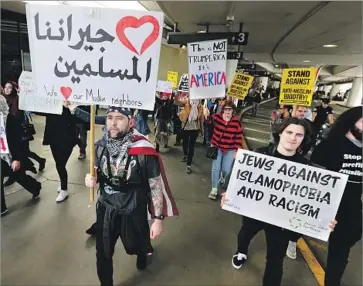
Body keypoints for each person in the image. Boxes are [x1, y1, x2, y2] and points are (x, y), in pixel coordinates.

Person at [220, 118, 337, 286]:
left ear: (304, 139)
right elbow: (238, 179)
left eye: (299, 135)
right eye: (289, 132)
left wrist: (324, 219)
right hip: (255, 212)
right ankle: (241, 252)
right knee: (245, 234)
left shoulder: (306, 168)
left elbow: (312, 201)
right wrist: (228, 193)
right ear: (280, 133)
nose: (293, 137)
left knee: (275, 261)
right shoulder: (259, 154)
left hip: (281, 221)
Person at [84, 106, 178, 286]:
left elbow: (155, 186)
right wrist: (91, 179)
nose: (112, 122)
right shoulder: (100, 146)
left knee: (137, 244)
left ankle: (142, 253)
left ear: (131, 121)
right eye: (110, 117)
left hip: (134, 207)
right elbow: (97, 173)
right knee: (102, 252)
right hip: (106, 207)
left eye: (119, 118)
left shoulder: (144, 151)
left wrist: (158, 219)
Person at [310, 106, 362, 286]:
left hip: (351, 211)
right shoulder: (328, 146)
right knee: (296, 233)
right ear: (351, 122)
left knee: (340, 253)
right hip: (325, 208)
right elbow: (313, 183)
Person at [1, 90, 42, 216]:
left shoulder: (10, 121)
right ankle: (2, 208)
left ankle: (35, 187)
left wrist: (17, 158)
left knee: (18, 175)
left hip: (10, 155)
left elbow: (17, 141)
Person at [39, 104, 78, 202]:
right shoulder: (51, 103)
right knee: (59, 164)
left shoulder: (71, 103)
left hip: (68, 137)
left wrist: (73, 109)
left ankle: (64, 189)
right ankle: (63, 184)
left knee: (60, 164)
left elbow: (79, 119)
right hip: (53, 136)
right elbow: (39, 110)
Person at [208, 102, 243, 200]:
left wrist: (237, 150)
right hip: (217, 147)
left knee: (226, 169)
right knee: (215, 168)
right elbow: (209, 121)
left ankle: (223, 177)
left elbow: (238, 137)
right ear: (223, 109)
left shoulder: (236, 121)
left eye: (229, 109)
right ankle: (214, 189)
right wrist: (207, 115)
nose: (227, 111)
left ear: (233, 110)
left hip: (230, 149)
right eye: (226, 109)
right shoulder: (217, 118)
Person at [179, 99, 204, 174]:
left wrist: (202, 130)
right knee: (185, 143)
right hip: (186, 127)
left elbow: (201, 119)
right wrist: (176, 93)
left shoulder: (200, 106)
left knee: (191, 146)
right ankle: (185, 155)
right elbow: (178, 102)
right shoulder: (187, 102)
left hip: (195, 128)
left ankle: (188, 165)